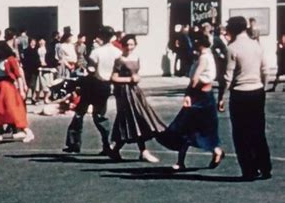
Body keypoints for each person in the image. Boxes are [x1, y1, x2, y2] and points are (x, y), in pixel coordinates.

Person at [158, 34, 225, 170]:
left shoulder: (203, 58)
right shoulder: (207, 56)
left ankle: (186, 160)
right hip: (206, 95)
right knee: (195, 128)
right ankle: (184, 160)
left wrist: (188, 94)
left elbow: (195, 79)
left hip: (200, 96)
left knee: (187, 127)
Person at [218, 16, 271, 180]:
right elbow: (265, 70)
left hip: (240, 92)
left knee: (241, 133)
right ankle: (265, 167)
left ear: (233, 29)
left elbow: (228, 76)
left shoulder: (232, 48)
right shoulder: (256, 45)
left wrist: (221, 97)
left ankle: (249, 169)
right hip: (257, 91)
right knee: (258, 131)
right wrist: (263, 86)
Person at [64, 26, 121, 156]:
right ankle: (107, 144)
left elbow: (91, 69)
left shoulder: (96, 52)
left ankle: (74, 143)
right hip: (106, 85)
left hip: (92, 84)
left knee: (80, 113)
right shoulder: (117, 52)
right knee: (100, 115)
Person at [110, 35, 165, 163]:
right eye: (127, 45)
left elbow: (135, 73)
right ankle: (143, 151)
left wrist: (137, 78)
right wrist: (129, 79)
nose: (129, 47)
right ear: (122, 45)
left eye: (131, 44)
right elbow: (113, 78)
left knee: (134, 118)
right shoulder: (119, 60)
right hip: (124, 92)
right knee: (133, 117)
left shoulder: (136, 58)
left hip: (135, 91)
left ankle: (116, 148)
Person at [0, 28, 35, 145]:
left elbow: (18, 75)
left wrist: (22, 89)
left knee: (12, 110)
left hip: (8, 87)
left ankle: (27, 131)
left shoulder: (10, 60)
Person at [22, 38, 41, 104]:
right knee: (27, 84)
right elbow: (24, 61)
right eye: (32, 42)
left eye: (34, 42)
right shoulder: (25, 51)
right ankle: (25, 98)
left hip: (34, 70)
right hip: (27, 70)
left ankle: (33, 98)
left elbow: (38, 60)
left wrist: (39, 66)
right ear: (29, 42)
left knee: (34, 85)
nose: (33, 43)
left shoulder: (36, 50)